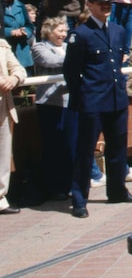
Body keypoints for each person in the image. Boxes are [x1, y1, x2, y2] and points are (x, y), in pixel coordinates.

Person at [63, 0, 132, 219]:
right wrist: (84, 95)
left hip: (116, 99)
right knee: (86, 151)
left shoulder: (117, 30)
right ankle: (79, 199)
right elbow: (71, 71)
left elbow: (116, 64)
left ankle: (117, 191)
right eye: (100, 2)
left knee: (117, 148)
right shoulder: (81, 34)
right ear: (89, 5)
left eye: (108, 2)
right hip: (92, 101)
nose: (105, 6)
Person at [30, 16, 76, 202]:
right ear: (49, 31)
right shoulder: (40, 47)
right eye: (60, 31)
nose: (63, 35)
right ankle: (53, 187)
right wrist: (77, 58)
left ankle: (68, 185)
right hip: (50, 104)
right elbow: (51, 62)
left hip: (70, 103)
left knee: (70, 146)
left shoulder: (67, 48)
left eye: (65, 31)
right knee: (53, 146)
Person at [0, 37, 26, 215]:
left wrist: (14, 78)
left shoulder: (2, 46)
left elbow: (19, 68)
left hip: (3, 109)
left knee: (2, 155)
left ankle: (0, 198)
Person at [1, 0, 34, 73]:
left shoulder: (20, 5)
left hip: (22, 51)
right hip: (5, 50)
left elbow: (30, 25)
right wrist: (11, 32)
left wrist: (26, 32)